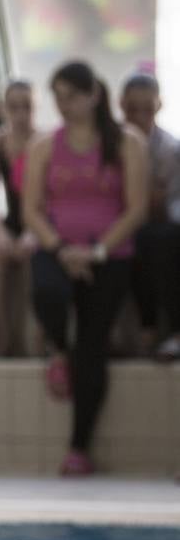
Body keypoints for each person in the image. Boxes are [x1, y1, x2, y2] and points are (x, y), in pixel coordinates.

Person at [23, 60, 148, 476]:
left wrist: (95, 252)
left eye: (71, 96)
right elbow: (32, 210)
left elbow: (136, 209)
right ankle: (57, 347)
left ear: (93, 94)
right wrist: (61, 250)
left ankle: (79, 448)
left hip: (109, 256)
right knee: (46, 293)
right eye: (57, 97)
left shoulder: (127, 143)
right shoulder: (44, 145)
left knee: (92, 347)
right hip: (58, 250)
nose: (64, 105)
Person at [118, 73, 180, 360]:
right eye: (133, 109)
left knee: (158, 241)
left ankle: (157, 330)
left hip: (157, 227)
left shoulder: (170, 148)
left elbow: (159, 204)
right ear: (121, 106)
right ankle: (144, 329)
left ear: (159, 106)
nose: (141, 116)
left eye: (148, 108)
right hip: (121, 226)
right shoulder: (110, 144)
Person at [0, 80, 40, 357]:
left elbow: (48, 198)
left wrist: (34, 232)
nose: (20, 114)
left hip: (39, 222)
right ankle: (4, 337)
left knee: (34, 256)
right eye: (14, 107)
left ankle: (37, 339)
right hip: (12, 221)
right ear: (2, 109)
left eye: (26, 107)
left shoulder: (43, 141)